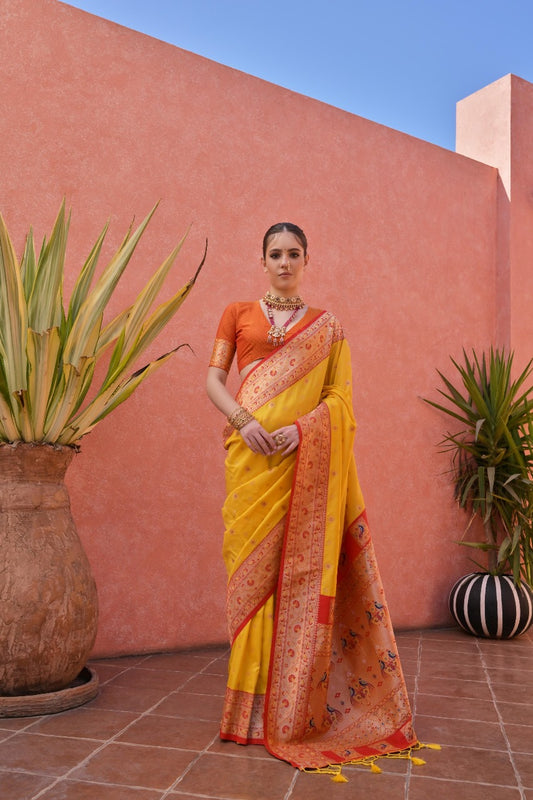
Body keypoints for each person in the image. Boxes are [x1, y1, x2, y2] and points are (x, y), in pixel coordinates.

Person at [206, 222, 418, 770]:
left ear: (306, 260)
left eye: (293, 254)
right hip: (249, 462)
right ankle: (245, 711)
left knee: (289, 579)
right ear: (262, 259)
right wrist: (244, 420)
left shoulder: (327, 327)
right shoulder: (237, 312)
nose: (283, 262)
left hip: (300, 465)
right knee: (249, 579)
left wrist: (300, 432)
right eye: (274, 254)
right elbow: (212, 380)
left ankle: (288, 709)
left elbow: (340, 401)